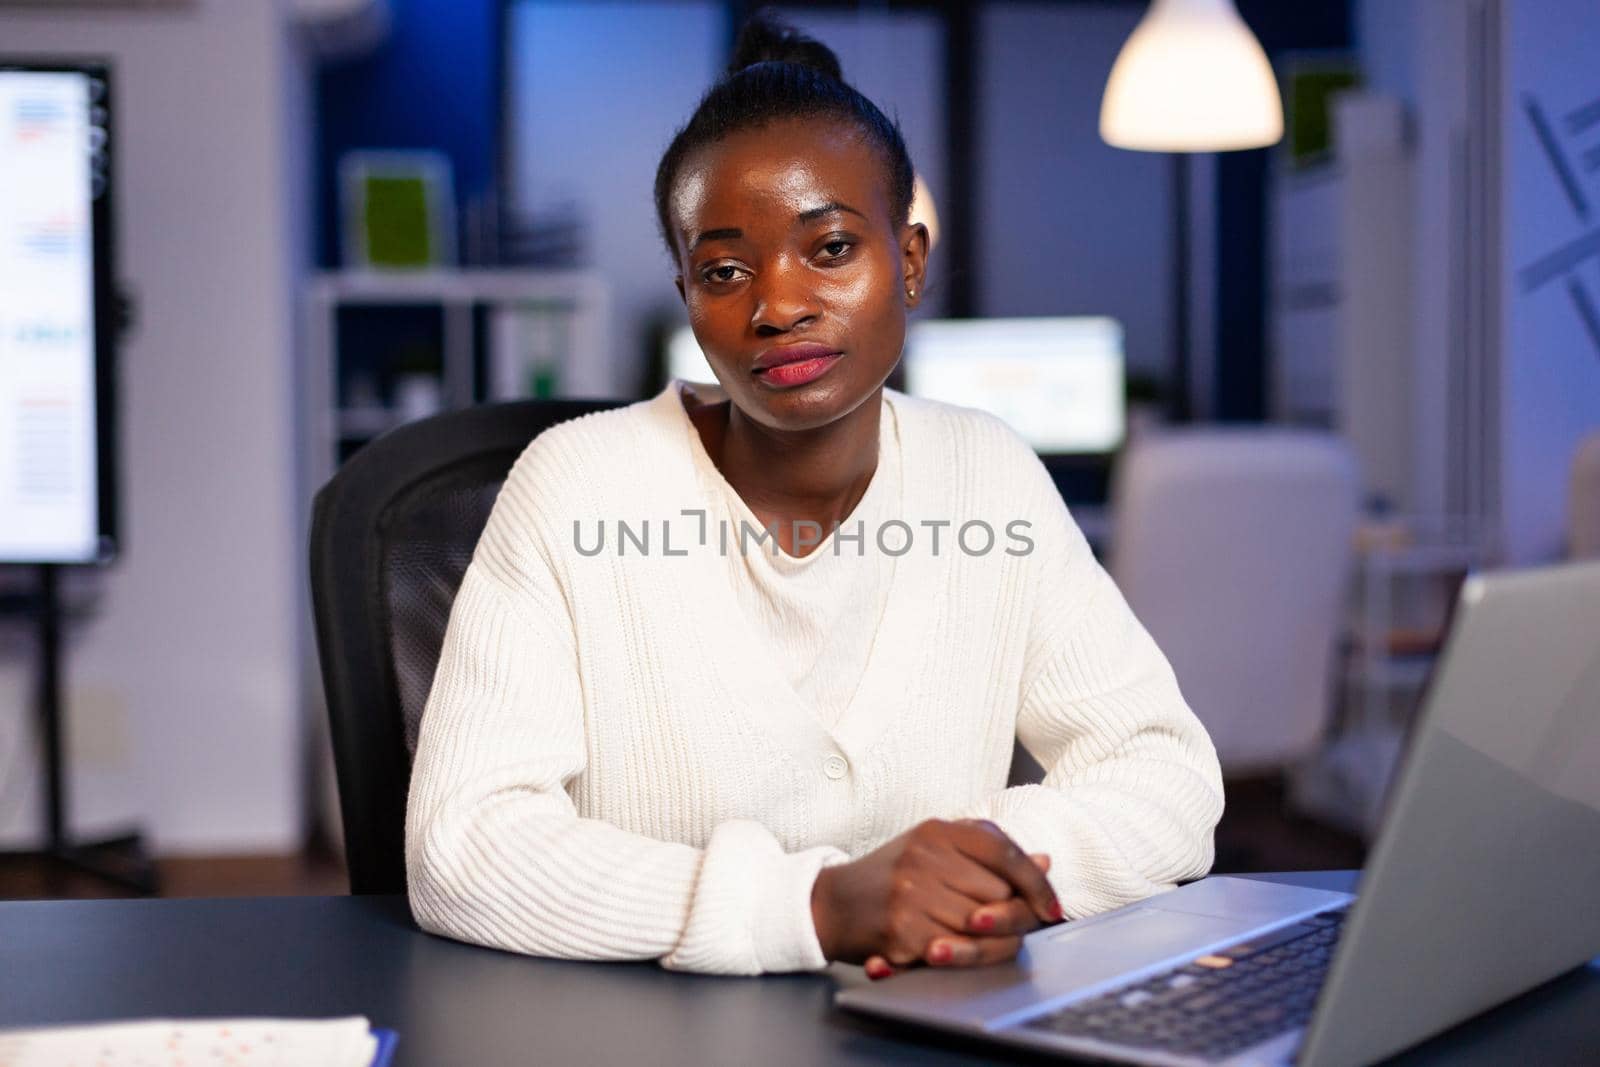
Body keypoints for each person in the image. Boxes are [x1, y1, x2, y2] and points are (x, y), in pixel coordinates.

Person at [405, 11, 1223, 980]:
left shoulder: (987, 474)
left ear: (908, 261)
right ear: (686, 294)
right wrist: (820, 903)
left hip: (931, 1020)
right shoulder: (574, 483)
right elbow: (461, 847)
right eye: (723, 270)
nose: (778, 304)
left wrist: (974, 872)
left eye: (830, 248)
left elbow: (1166, 777)